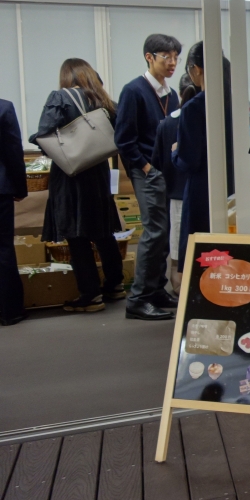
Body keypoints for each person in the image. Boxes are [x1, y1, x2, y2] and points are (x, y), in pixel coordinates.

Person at [29, 59, 124, 313]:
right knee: (103, 232)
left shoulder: (60, 98)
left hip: (71, 176)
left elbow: (44, 134)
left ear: (66, 76)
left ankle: (90, 295)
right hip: (99, 174)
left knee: (77, 235)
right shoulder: (104, 100)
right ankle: (115, 285)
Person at [114, 34, 181, 320]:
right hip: (147, 171)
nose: (173, 62)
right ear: (149, 57)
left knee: (164, 233)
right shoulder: (134, 91)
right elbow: (123, 139)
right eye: (166, 57)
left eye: (176, 57)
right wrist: (146, 168)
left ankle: (155, 289)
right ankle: (138, 299)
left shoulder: (171, 94)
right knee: (154, 231)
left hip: (166, 171)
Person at [172, 42, 234, 269]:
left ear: (196, 69)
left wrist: (175, 153)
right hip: (234, 186)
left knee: (203, 254)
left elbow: (189, 160)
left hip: (203, 189)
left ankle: (206, 287)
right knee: (232, 250)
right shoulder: (237, 103)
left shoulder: (194, 108)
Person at [151, 76, 197, 292]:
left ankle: (181, 291)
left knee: (179, 246)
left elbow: (157, 162)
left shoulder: (167, 123)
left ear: (179, 94)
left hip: (177, 194)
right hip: (209, 194)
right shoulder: (210, 119)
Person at [0, 98, 27, 326]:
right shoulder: (3, 108)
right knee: (3, 247)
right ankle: (10, 311)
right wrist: (20, 187)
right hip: (0, 189)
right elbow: (13, 150)